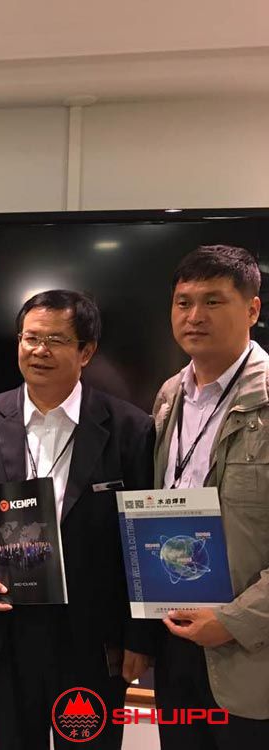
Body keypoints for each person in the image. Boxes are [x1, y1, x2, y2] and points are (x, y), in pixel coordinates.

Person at [0, 290, 155, 749]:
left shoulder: (129, 427)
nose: (39, 351)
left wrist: (140, 636)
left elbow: (143, 537)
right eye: (30, 338)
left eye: (56, 340)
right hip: (5, 628)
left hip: (92, 640)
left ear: (86, 351)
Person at [151, 245, 269, 748]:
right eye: (184, 302)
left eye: (213, 301)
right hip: (175, 638)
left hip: (251, 654)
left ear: (252, 309)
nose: (194, 316)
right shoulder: (168, 397)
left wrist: (233, 621)